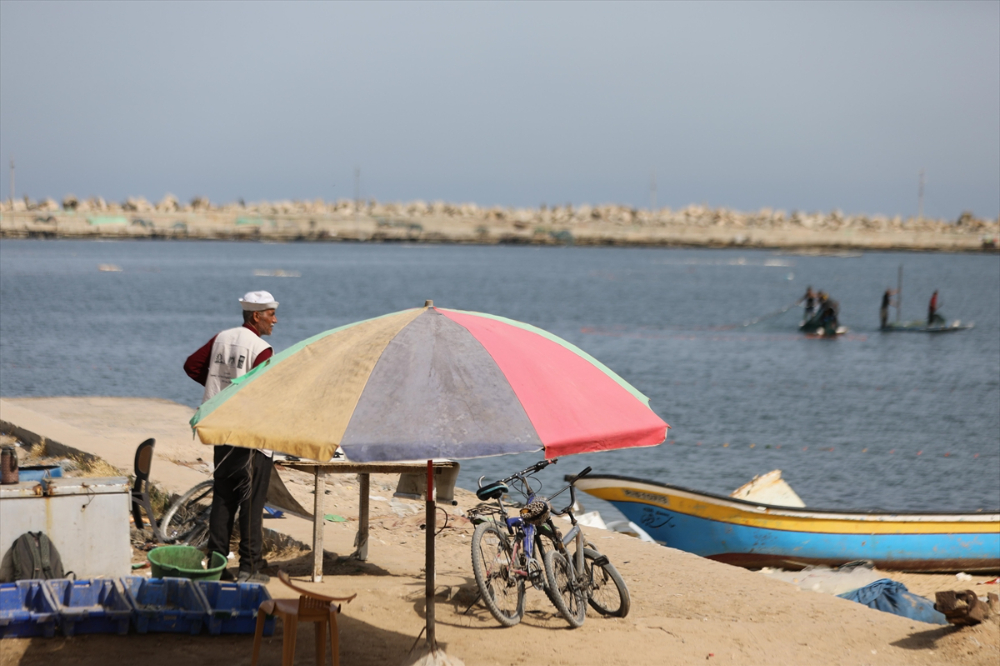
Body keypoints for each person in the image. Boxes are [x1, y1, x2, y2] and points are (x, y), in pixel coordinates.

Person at [184, 291, 278, 583]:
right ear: (256, 316)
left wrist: (218, 389)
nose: (275, 320)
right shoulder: (261, 348)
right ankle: (250, 568)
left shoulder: (221, 338)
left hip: (221, 432)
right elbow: (261, 392)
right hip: (249, 437)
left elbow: (192, 365)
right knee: (251, 503)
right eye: (271, 314)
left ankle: (216, 565)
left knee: (224, 501)